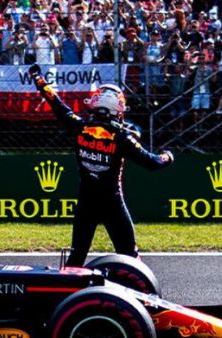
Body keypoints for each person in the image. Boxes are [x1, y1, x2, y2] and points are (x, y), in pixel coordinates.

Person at [28, 64, 173, 267]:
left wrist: (38, 79)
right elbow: (153, 163)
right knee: (130, 257)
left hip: (86, 201)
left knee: (77, 257)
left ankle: (68, 295)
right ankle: (141, 296)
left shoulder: (79, 127)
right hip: (112, 203)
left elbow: (56, 102)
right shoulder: (123, 138)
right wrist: (168, 155)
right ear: (117, 108)